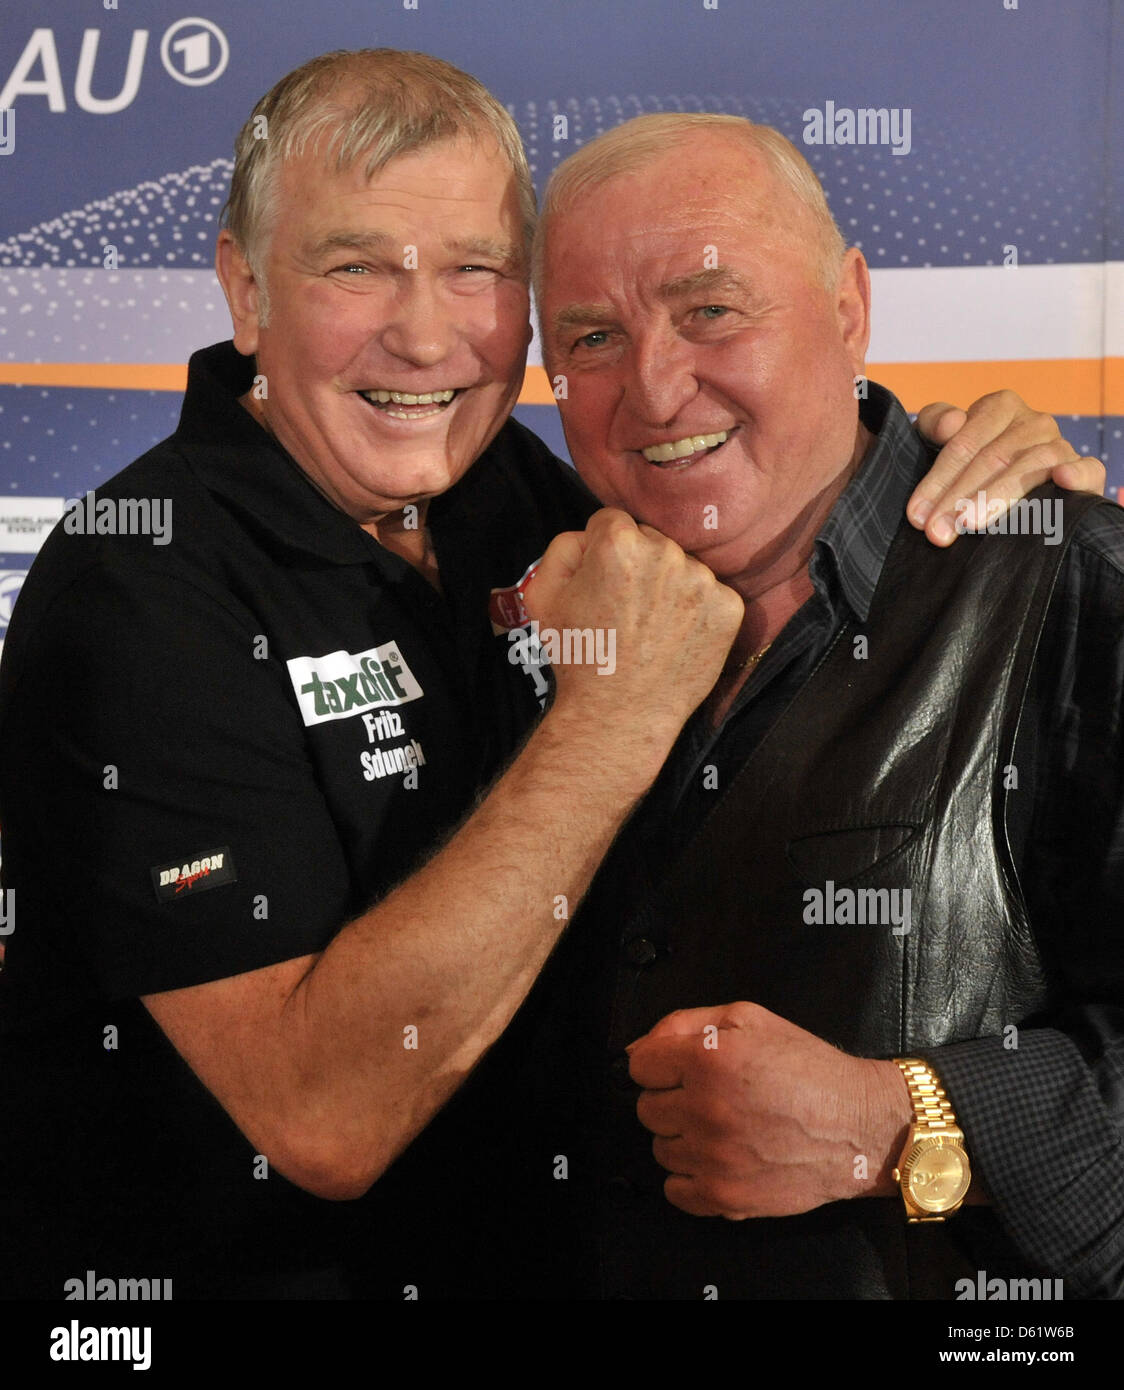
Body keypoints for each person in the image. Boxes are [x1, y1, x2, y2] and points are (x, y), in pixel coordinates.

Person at [0, 51, 1101, 1301]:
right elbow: (324, 1118)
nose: (422, 335)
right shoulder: (135, 590)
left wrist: (961, 451)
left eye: (473, 270)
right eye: (354, 264)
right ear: (245, 290)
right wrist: (615, 712)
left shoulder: (536, 509)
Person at [503, 111, 1124, 1300]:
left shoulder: (1068, 583)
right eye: (591, 336)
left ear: (848, 306)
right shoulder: (536, 618)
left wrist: (903, 1122)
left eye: (710, 310)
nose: (652, 384)